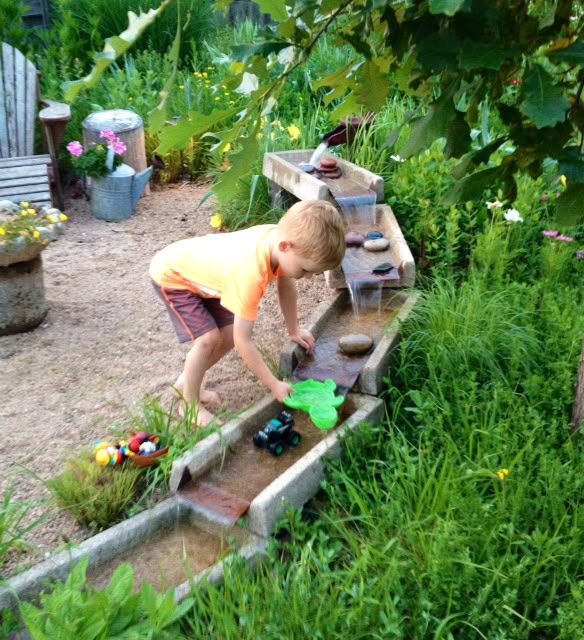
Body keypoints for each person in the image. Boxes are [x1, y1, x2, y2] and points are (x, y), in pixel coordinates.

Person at [149, 199, 346, 427]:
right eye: (305, 270)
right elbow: (244, 341)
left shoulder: (280, 241)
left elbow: (286, 284)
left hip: (209, 277)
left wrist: (293, 329)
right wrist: (273, 384)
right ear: (285, 247)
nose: (307, 277)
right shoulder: (251, 273)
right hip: (174, 275)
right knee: (209, 339)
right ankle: (189, 405)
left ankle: (186, 383)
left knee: (229, 331)